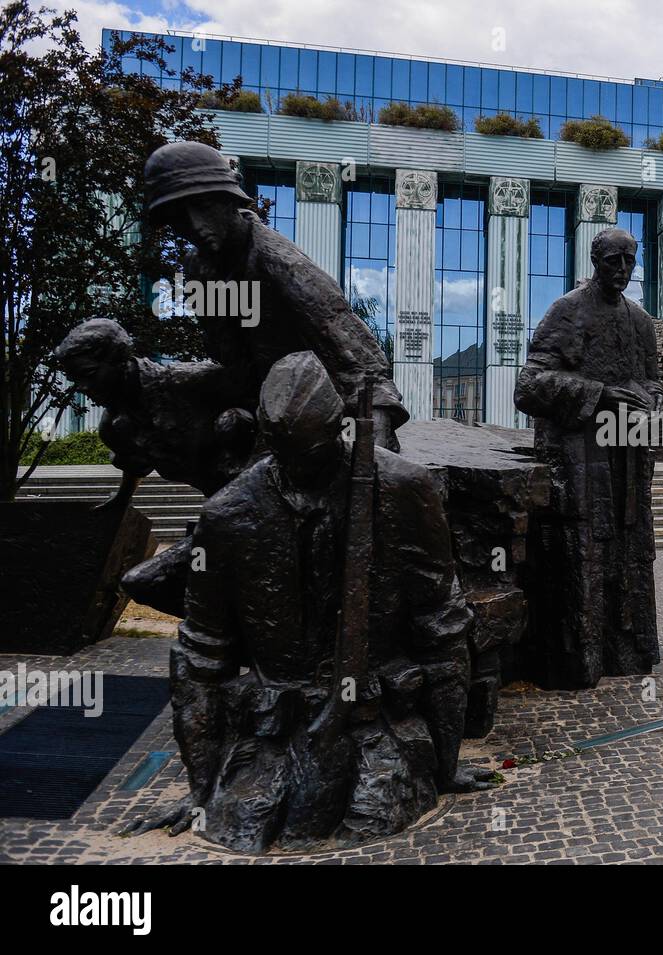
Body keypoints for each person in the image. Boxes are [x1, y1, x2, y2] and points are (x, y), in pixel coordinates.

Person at [124, 352, 488, 852]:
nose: (298, 468)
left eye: (311, 453)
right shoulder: (227, 514)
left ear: (339, 428)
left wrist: (446, 766)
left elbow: (443, 630)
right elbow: (200, 657)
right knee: (242, 822)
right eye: (284, 452)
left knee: (372, 810)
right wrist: (201, 789)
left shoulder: (405, 488)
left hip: (377, 718)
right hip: (271, 724)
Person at [142, 140, 407, 451]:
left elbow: (351, 346)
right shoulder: (197, 268)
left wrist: (375, 425)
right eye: (178, 217)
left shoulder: (279, 261)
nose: (195, 226)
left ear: (229, 200)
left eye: (203, 206)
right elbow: (226, 354)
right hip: (254, 399)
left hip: (308, 407)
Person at [514, 228, 663, 689]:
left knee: (630, 553)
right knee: (585, 554)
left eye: (630, 261)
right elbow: (529, 386)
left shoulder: (640, 321)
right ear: (596, 261)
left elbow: (653, 381)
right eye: (614, 260)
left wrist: (651, 402)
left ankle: (627, 651)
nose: (623, 269)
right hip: (580, 456)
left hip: (628, 456)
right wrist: (600, 394)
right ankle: (580, 660)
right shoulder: (567, 310)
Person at [53, 318, 254, 507]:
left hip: (260, 482)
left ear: (118, 359)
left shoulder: (188, 382)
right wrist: (122, 499)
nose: (83, 387)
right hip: (228, 502)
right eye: (75, 379)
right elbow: (133, 464)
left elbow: (258, 394)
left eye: (89, 374)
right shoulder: (113, 429)